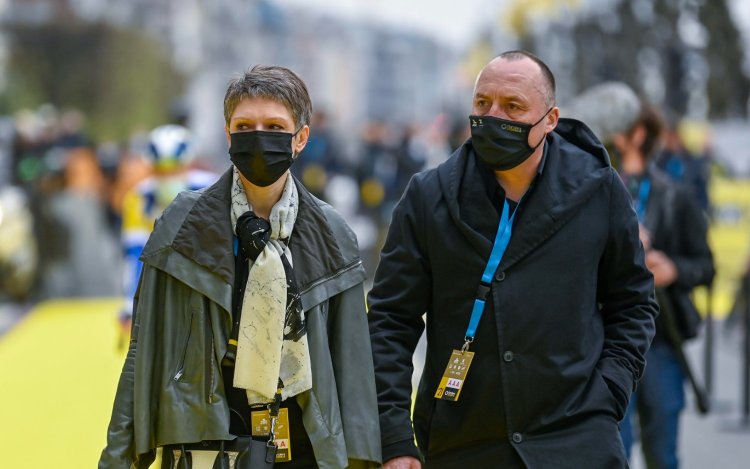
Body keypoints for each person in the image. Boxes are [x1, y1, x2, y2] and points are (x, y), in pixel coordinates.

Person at [367, 51, 658, 468]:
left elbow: (633, 302)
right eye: (483, 103)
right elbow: (389, 321)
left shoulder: (599, 190)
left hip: (577, 440)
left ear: (551, 119)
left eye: (513, 106)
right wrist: (394, 437)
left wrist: (610, 390)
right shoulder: (427, 196)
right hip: (463, 441)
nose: (493, 115)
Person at [100, 65, 381, 469]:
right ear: (228, 135)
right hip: (202, 442)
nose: (258, 136)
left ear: (300, 138)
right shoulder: (182, 224)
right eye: (245, 125)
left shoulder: (333, 234)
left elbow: (352, 365)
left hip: (303, 446)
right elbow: (143, 352)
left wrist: (363, 459)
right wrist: (119, 459)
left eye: (274, 125)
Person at [581, 87, 714, 469]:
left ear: (637, 133)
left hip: (660, 339)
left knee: (663, 454)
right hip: (605, 340)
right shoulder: (591, 191)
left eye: (615, 123)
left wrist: (672, 270)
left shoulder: (676, 196)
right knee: (611, 452)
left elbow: (705, 265)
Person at [118, 124, 217, 341]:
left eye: (175, 168)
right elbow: (135, 255)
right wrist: (129, 305)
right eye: (160, 170)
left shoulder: (213, 190)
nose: (168, 175)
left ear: (189, 163)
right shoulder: (138, 199)